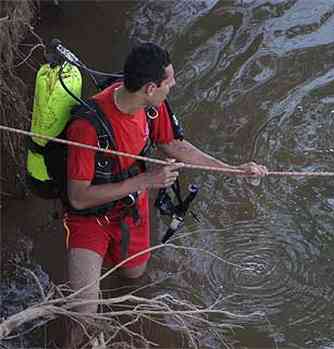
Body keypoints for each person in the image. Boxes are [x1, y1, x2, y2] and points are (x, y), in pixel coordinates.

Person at [63, 43, 267, 347]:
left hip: (131, 210)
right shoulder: (87, 126)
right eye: (168, 81)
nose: (173, 85)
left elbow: (175, 146)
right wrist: (147, 179)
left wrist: (234, 170)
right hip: (89, 220)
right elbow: (78, 198)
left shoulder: (151, 108)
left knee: (133, 277)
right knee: (83, 321)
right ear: (149, 87)